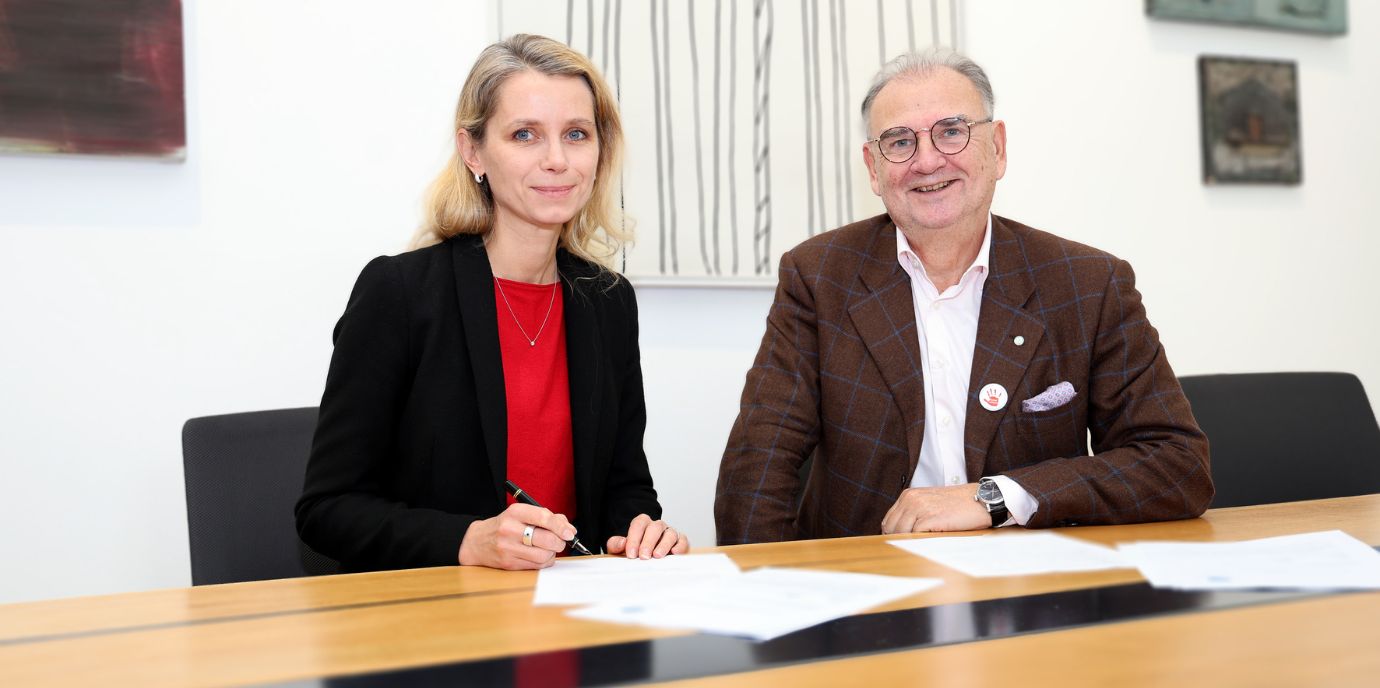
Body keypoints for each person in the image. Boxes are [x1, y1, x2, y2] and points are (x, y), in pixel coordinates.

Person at [714, 49, 1213, 544]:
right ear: (873, 168)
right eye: (900, 141)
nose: (927, 161)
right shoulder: (820, 277)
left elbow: (1177, 465)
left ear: (997, 148)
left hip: (1030, 578)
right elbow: (758, 466)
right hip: (872, 575)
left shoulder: (1087, 284)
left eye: (951, 131)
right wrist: (773, 584)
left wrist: (996, 498)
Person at [297, 34, 688, 571]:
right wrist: (467, 540)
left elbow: (625, 487)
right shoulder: (401, 293)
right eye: (525, 134)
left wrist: (641, 532)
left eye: (576, 134)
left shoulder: (608, 301)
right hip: (445, 607)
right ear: (473, 151)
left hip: (574, 604)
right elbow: (327, 509)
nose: (557, 160)